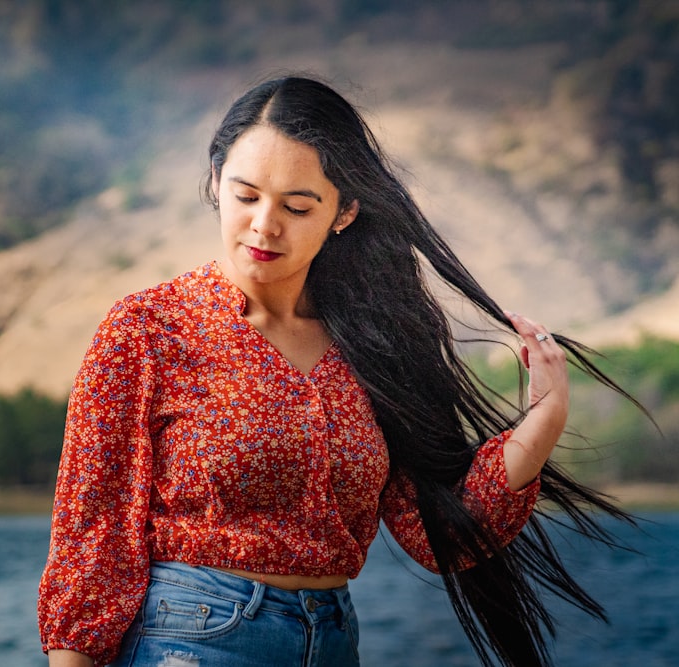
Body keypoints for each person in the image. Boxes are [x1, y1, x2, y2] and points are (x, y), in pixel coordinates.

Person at [38, 75, 637, 667]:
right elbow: (91, 530)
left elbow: (437, 537)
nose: (264, 225)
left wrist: (543, 423)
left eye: (298, 206)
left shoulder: (368, 346)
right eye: (246, 196)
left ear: (344, 212)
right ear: (216, 182)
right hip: (192, 638)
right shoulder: (148, 328)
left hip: (332, 641)